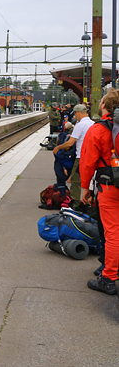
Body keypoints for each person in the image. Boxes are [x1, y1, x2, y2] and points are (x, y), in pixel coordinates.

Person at [79, 89, 119, 295]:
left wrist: (84, 188)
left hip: (109, 186)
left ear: (104, 106)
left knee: (112, 233)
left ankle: (109, 278)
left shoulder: (98, 129)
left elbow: (87, 162)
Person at [53, 104, 94, 208]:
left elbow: (70, 143)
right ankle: (89, 204)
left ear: (77, 113)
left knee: (75, 181)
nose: (75, 116)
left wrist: (58, 147)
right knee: (90, 181)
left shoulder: (80, 125)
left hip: (81, 157)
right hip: (92, 156)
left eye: (75, 114)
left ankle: (75, 205)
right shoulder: (93, 124)